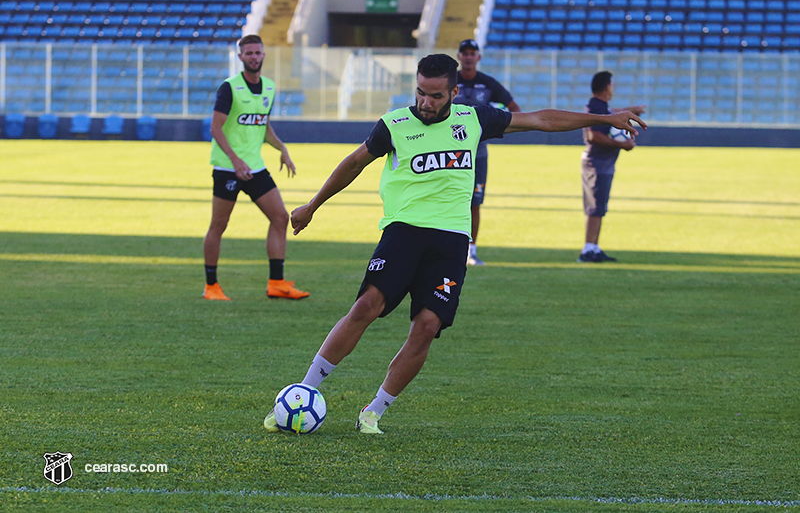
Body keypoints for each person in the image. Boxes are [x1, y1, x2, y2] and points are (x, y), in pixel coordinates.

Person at [263, 54, 645, 434]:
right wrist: (313, 205)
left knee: (427, 325)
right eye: (420, 94)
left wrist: (604, 118)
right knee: (366, 306)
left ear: (454, 93)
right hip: (403, 232)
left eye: (436, 96)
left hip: (451, 242)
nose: (426, 103)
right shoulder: (394, 124)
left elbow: (541, 119)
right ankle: (302, 391)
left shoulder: (474, 118)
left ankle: (373, 412)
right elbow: (353, 163)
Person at [202, 34, 309, 300]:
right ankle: (211, 286)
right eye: (248, 53)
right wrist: (235, 161)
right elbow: (216, 128)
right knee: (219, 224)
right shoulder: (229, 88)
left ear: (263, 55)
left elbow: (264, 127)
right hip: (228, 168)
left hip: (255, 168)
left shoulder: (269, 88)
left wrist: (282, 149)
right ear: (240, 57)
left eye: (257, 52)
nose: (253, 57)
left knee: (280, 217)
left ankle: (277, 283)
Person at [455, 39, 521, 266]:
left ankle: (470, 251)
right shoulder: (449, 81)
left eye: (472, 53)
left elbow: (514, 110)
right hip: (450, 151)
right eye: (465, 53)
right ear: (459, 57)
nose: (468, 57)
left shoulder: (488, 84)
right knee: (448, 198)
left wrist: (494, 123)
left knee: (475, 201)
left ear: (478, 57)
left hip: (478, 153)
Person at [578, 70, 646, 263]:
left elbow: (608, 115)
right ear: (607, 87)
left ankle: (594, 247)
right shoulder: (595, 107)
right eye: (612, 84)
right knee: (595, 207)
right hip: (596, 163)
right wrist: (622, 145)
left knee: (599, 206)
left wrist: (629, 111)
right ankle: (587, 250)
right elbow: (594, 135)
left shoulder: (600, 106)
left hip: (602, 163)